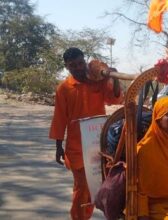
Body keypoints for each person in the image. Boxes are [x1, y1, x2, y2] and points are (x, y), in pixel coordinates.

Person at [49, 47, 123, 220]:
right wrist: (58, 147)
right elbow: (59, 118)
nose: (78, 68)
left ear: (85, 61)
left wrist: (114, 77)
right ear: (67, 67)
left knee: (97, 186)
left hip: (99, 144)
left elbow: (115, 98)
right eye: (72, 65)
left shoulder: (97, 82)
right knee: (82, 188)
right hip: (76, 149)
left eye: (80, 63)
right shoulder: (64, 89)